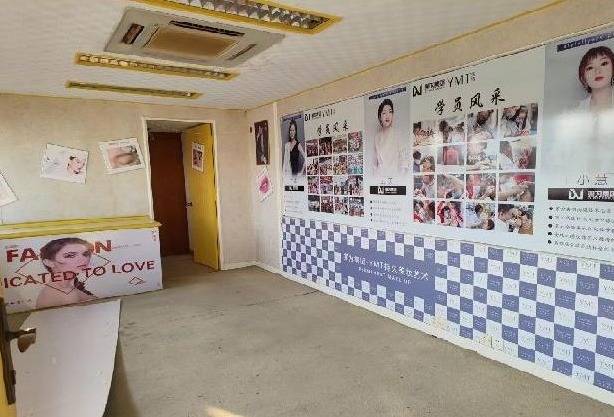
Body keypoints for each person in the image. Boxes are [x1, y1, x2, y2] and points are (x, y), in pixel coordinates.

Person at [36, 238, 97, 309]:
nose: (83, 259)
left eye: (85, 254)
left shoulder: (66, 288)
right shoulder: (65, 294)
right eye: (70, 255)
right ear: (49, 262)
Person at [577, 46, 614, 112]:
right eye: (590, 68)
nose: (597, 71)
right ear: (583, 77)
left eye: (604, 63)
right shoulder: (579, 110)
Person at [373, 99, 402, 177]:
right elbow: (375, 163)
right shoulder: (377, 137)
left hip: (394, 177)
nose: (387, 115)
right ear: (380, 117)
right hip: (380, 177)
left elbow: (403, 161)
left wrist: (400, 176)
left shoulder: (398, 134)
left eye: (390, 112)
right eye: (384, 113)